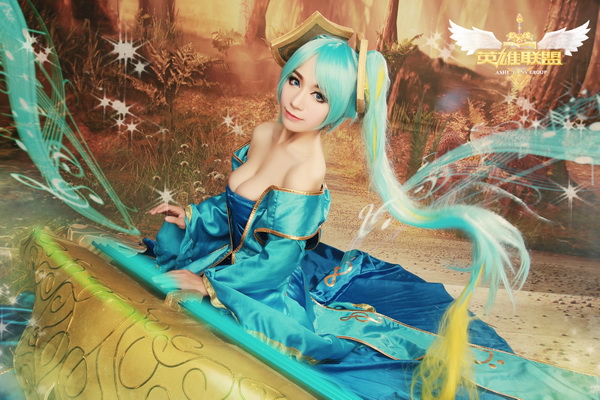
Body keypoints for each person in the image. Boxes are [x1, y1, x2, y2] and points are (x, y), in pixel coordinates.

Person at [141, 13, 596, 400]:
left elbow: (277, 261)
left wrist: (212, 287)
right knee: (166, 247)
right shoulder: (263, 133)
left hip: (266, 284)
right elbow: (238, 205)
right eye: (296, 81)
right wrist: (195, 217)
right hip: (235, 257)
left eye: (319, 95)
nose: (297, 100)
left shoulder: (307, 169)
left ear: (339, 108)